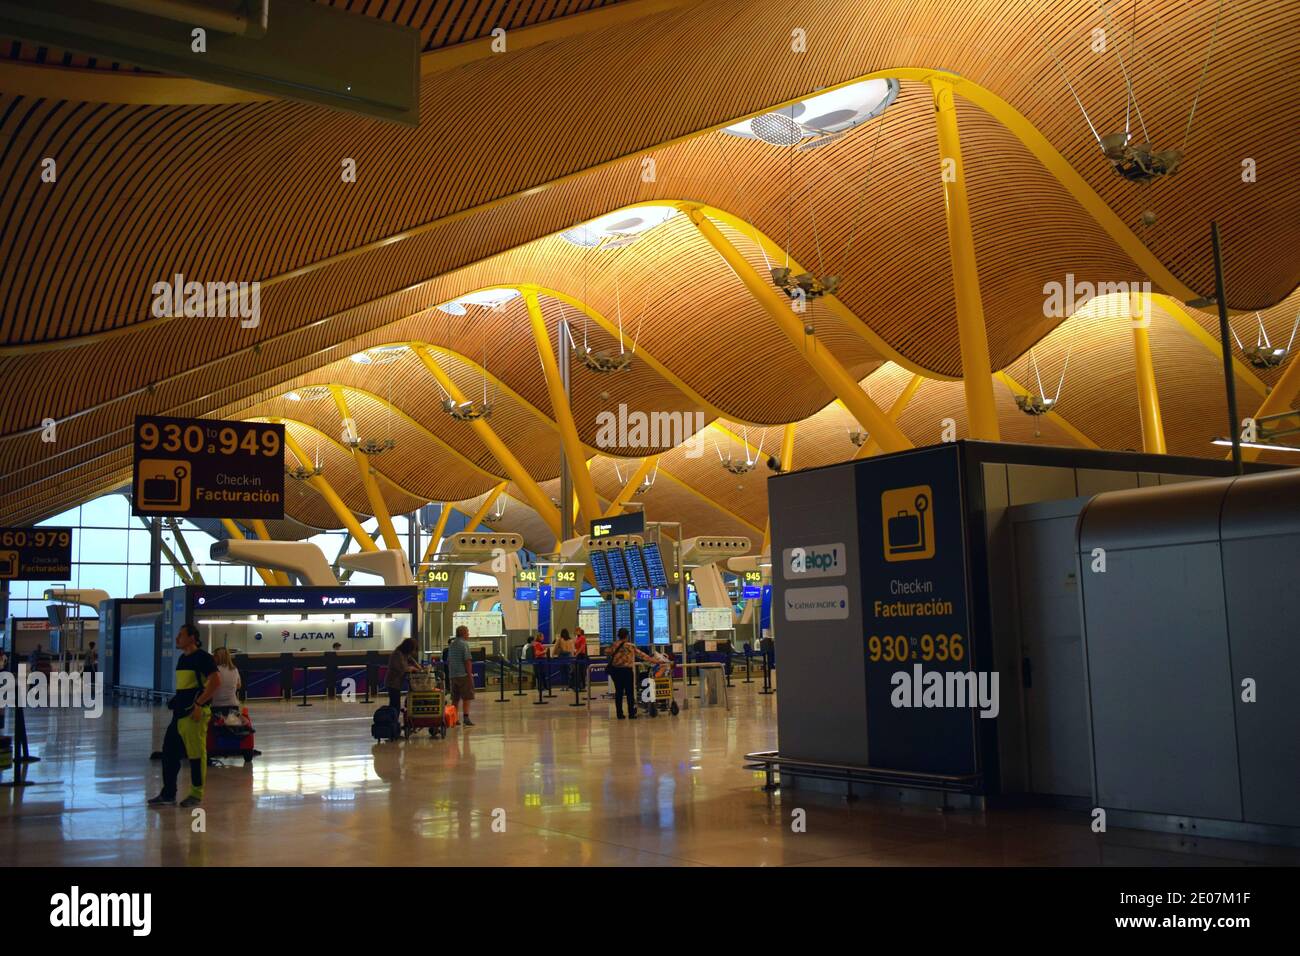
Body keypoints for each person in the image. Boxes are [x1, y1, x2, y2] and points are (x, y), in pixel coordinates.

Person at [149, 624, 220, 807]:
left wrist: (199, 703)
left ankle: (196, 794)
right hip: (179, 714)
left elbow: (215, 682)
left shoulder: (204, 658)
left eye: (180, 635)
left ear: (192, 637)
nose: (177, 638)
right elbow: (187, 686)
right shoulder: (182, 659)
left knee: (196, 755)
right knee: (169, 753)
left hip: (194, 714)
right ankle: (168, 793)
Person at [606, 627, 654, 720]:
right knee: (629, 693)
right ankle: (631, 714)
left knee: (618, 692)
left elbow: (606, 651)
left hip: (616, 671)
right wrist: (654, 660)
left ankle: (619, 714)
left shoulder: (614, 645)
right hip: (627, 671)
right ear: (627, 635)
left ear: (618, 635)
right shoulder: (631, 646)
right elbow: (642, 655)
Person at [444, 625, 475, 726]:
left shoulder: (452, 645)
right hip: (463, 675)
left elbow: (449, 661)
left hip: (453, 675)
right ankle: (466, 717)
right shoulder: (464, 644)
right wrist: (470, 675)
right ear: (463, 633)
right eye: (467, 632)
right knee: (466, 697)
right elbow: (467, 660)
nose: (468, 634)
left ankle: (455, 718)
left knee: (455, 698)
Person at [385, 638, 421, 713]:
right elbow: (403, 668)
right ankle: (393, 722)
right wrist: (414, 668)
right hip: (393, 682)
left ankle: (394, 721)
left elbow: (411, 659)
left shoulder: (404, 654)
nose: (412, 652)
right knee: (395, 704)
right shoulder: (397, 654)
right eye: (412, 649)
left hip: (396, 683)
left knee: (395, 703)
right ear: (407, 648)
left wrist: (418, 666)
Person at [211, 647, 242, 715]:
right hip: (233, 705)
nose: (213, 658)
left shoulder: (214, 670)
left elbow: (208, 687)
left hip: (216, 706)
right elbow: (239, 685)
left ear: (218, 657)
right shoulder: (234, 669)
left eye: (214, 656)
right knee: (232, 725)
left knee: (217, 725)